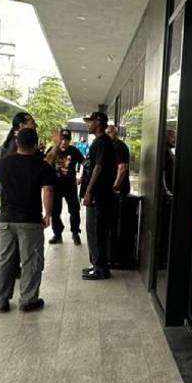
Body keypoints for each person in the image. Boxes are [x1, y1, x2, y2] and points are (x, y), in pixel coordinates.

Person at [0, 126, 55, 312]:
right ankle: (28, 299)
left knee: (3, 260)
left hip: (6, 220)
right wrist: (48, 214)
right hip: (30, 221)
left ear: (17, 143)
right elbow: (48, 191)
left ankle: (0, 300)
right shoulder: (42, 165)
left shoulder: (3, 163)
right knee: (31, 261)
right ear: (36, 145)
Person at [80, 110, 117, 280]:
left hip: (99, 195)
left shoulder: (102, 142)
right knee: (94, 230)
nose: (88, 125)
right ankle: (96, 264)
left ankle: (100, 268)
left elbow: (99, 167)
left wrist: (89, 191)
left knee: (96, 231)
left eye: (90, 122)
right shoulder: (99, 142)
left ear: (99, 122)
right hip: (99, 194)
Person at [46, 129, 84, 245]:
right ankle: (57, 234)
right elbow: (45, 165)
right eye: (62, 139)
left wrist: (81, 178)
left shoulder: (74, 151)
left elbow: (85, 164)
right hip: (56, 186)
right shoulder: (52, 150)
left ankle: (75, 232)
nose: (64, 142)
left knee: (74, 210)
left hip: (70, 186)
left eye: (66, 140)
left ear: (69, 140)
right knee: (55, 212)